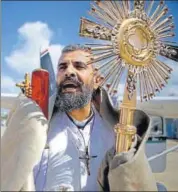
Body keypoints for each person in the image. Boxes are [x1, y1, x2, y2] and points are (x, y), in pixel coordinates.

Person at [1, 44, 157, 191]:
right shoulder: (37, 127)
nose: (69, 71)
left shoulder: (115, 133)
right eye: (62, 67)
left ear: (97, 80)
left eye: (79, 66)